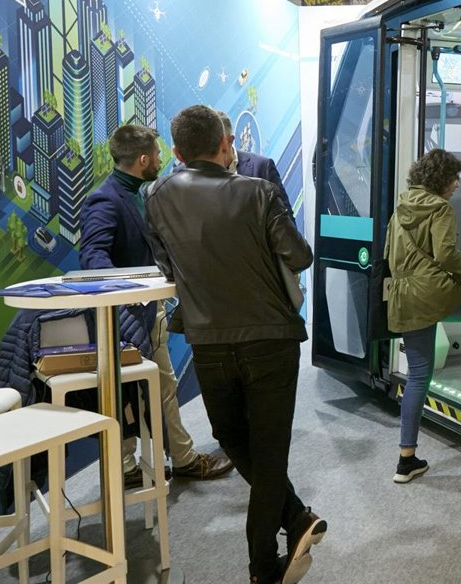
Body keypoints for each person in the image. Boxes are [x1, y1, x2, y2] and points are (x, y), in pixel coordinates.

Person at [145, 106, 323, 584]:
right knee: (268, 453)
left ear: (177, 153)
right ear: (226, 145)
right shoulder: (259, 192)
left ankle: (285, 535)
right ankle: (276, 546)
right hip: (271, 338)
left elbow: (166, 265)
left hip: (208, 343)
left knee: (231, 437)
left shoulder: (155, 196)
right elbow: (300, 256)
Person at [80, 124, 233, 486]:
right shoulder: (106, 199)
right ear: (143, 159)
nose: (163, 159)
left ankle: (136, 465)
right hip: (129, 316)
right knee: (155, 387)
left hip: (146, 311)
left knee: (149, 388)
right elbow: (92, 257)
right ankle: (181, 459)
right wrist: (133, 288)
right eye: (158, 154)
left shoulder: (140, 193)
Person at [384, 149, 461, 483]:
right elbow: (447, 255)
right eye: (454, 178)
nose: (457, 184)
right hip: (432, 295)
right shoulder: (440, 208)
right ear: (441, 179)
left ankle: (407, 459)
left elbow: (389, 254)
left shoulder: (401, 205)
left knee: (417, 374)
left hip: (404, 296)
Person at [218, 111, 291, 212]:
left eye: (215, 147)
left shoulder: (263, 167)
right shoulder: (201, 178)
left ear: (230, 140)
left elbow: (286, 215)